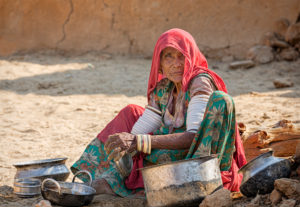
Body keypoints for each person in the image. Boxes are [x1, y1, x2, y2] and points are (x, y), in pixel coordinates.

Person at [71, 28, 247, 197]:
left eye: (181, 56)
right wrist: (127, 143)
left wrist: (139, 141)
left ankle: (113, 182)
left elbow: (193, 137)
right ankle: (99, 177)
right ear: (160, 63)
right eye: (168, 57)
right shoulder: (164, 87)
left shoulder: (199, 83)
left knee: (146, 148)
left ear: (191, 57)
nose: (176, 64)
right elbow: (144, 126)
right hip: (174, 144)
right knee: (129, 114)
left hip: (197, 155)